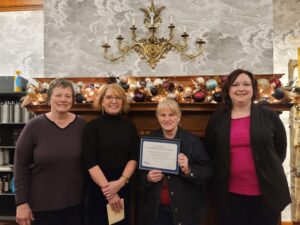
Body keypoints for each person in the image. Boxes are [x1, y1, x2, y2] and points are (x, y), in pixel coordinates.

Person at [205, 69, 291, 225]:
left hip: (266, 194)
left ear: (253, 89)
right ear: (228, 89)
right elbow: (211, 150)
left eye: (246, 84)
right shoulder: (218, 118)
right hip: (230, 196)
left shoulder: (269, 115)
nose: (241, 89)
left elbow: (280, 150)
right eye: (235, 84)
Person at [14, 78, 87, 225]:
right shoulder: (34, 126)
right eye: (58, 95)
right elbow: (20, 166)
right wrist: (21, 203)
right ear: (49, 98)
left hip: (76, 206)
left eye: (68, 96)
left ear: (73, 100)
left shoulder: (82, 125)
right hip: (41, 208)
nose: (63, 99)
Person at [139, 98, 212, 225]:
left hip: (186, 212)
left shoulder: (192, 142)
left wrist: (189, 170)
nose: (167, 119)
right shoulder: (149, 140)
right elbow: (138, 175)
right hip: (156, 211)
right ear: (158, 117)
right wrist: (148, 178)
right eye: (163, 115)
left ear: (179, 117)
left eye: (171, 115)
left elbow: (207, 173)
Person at [82, 83, 139, 225]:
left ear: (123, 102)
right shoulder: (92, 126)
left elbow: (133, 158)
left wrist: (120, 182)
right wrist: (109, 192)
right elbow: (89, 161)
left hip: (123, 187)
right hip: (99, 190)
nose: (114, 101)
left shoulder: (130, 126)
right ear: (101, 101)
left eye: (118, 98)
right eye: (109, 97)